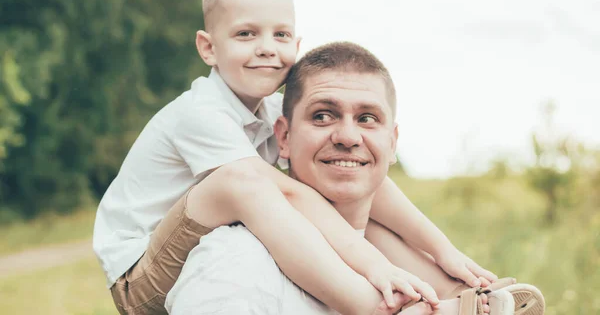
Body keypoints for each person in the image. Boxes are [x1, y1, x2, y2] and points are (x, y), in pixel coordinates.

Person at [94, 0, 443, 315]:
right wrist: (374, 264)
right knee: (239, 182)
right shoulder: (200, 112)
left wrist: (447, 254)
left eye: (280, 35)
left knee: (344, 180)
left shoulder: (273, 108)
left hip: (199, 239)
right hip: (140, 277)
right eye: (246, 34)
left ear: (297, 43)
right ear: (208, 48)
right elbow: (285, 192)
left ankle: (454, 288)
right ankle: (372, 306)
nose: (266, 48)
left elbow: (371, 183)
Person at [165, 42, 520, 315]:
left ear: (392, 143)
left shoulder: (397, 271)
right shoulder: (236, 262)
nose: (348, 137)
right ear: (284, 137)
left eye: (367, 118)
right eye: (323, 116)